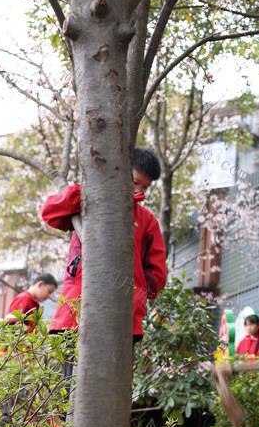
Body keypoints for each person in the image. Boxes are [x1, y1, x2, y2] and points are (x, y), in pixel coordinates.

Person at [41, 147, 168, 365]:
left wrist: (138, 292)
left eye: (144, 186)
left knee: (110, 390)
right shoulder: (90, 198)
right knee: (72, 388)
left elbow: (156, 277)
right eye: (133, 180)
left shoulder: (147, 221)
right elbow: (50, 213)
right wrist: (83, 193)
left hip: (123, 314)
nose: (137, 189)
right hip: (78, 307)